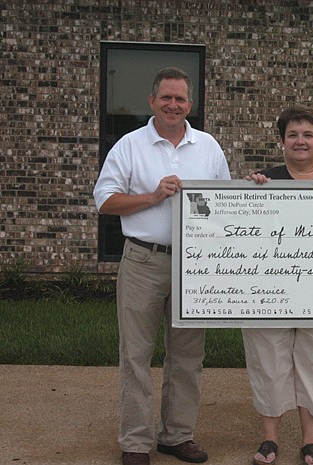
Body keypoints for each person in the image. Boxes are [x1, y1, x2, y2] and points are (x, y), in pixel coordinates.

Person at [93, 67, 231, 465]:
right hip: (143, 260)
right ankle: (136, 441)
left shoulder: (207, 147)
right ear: (152, 101)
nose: (174, 105)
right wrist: (153, 196)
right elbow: (104, 201)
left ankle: (177, 435)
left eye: (181, 99)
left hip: (193, 265)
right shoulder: (129, 146)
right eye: (166, 97)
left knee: (188, 355)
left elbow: (225, 202)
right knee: (136, 354)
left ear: (191, 104)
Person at [242, 105, 313, 465]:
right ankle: (270, 439)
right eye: (292, 135)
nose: (300, 141)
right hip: (269, 293)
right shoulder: (263, 182)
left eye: (307, 135)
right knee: (268, 361)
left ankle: (310, 440)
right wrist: (247, 196)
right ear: (281, 141)